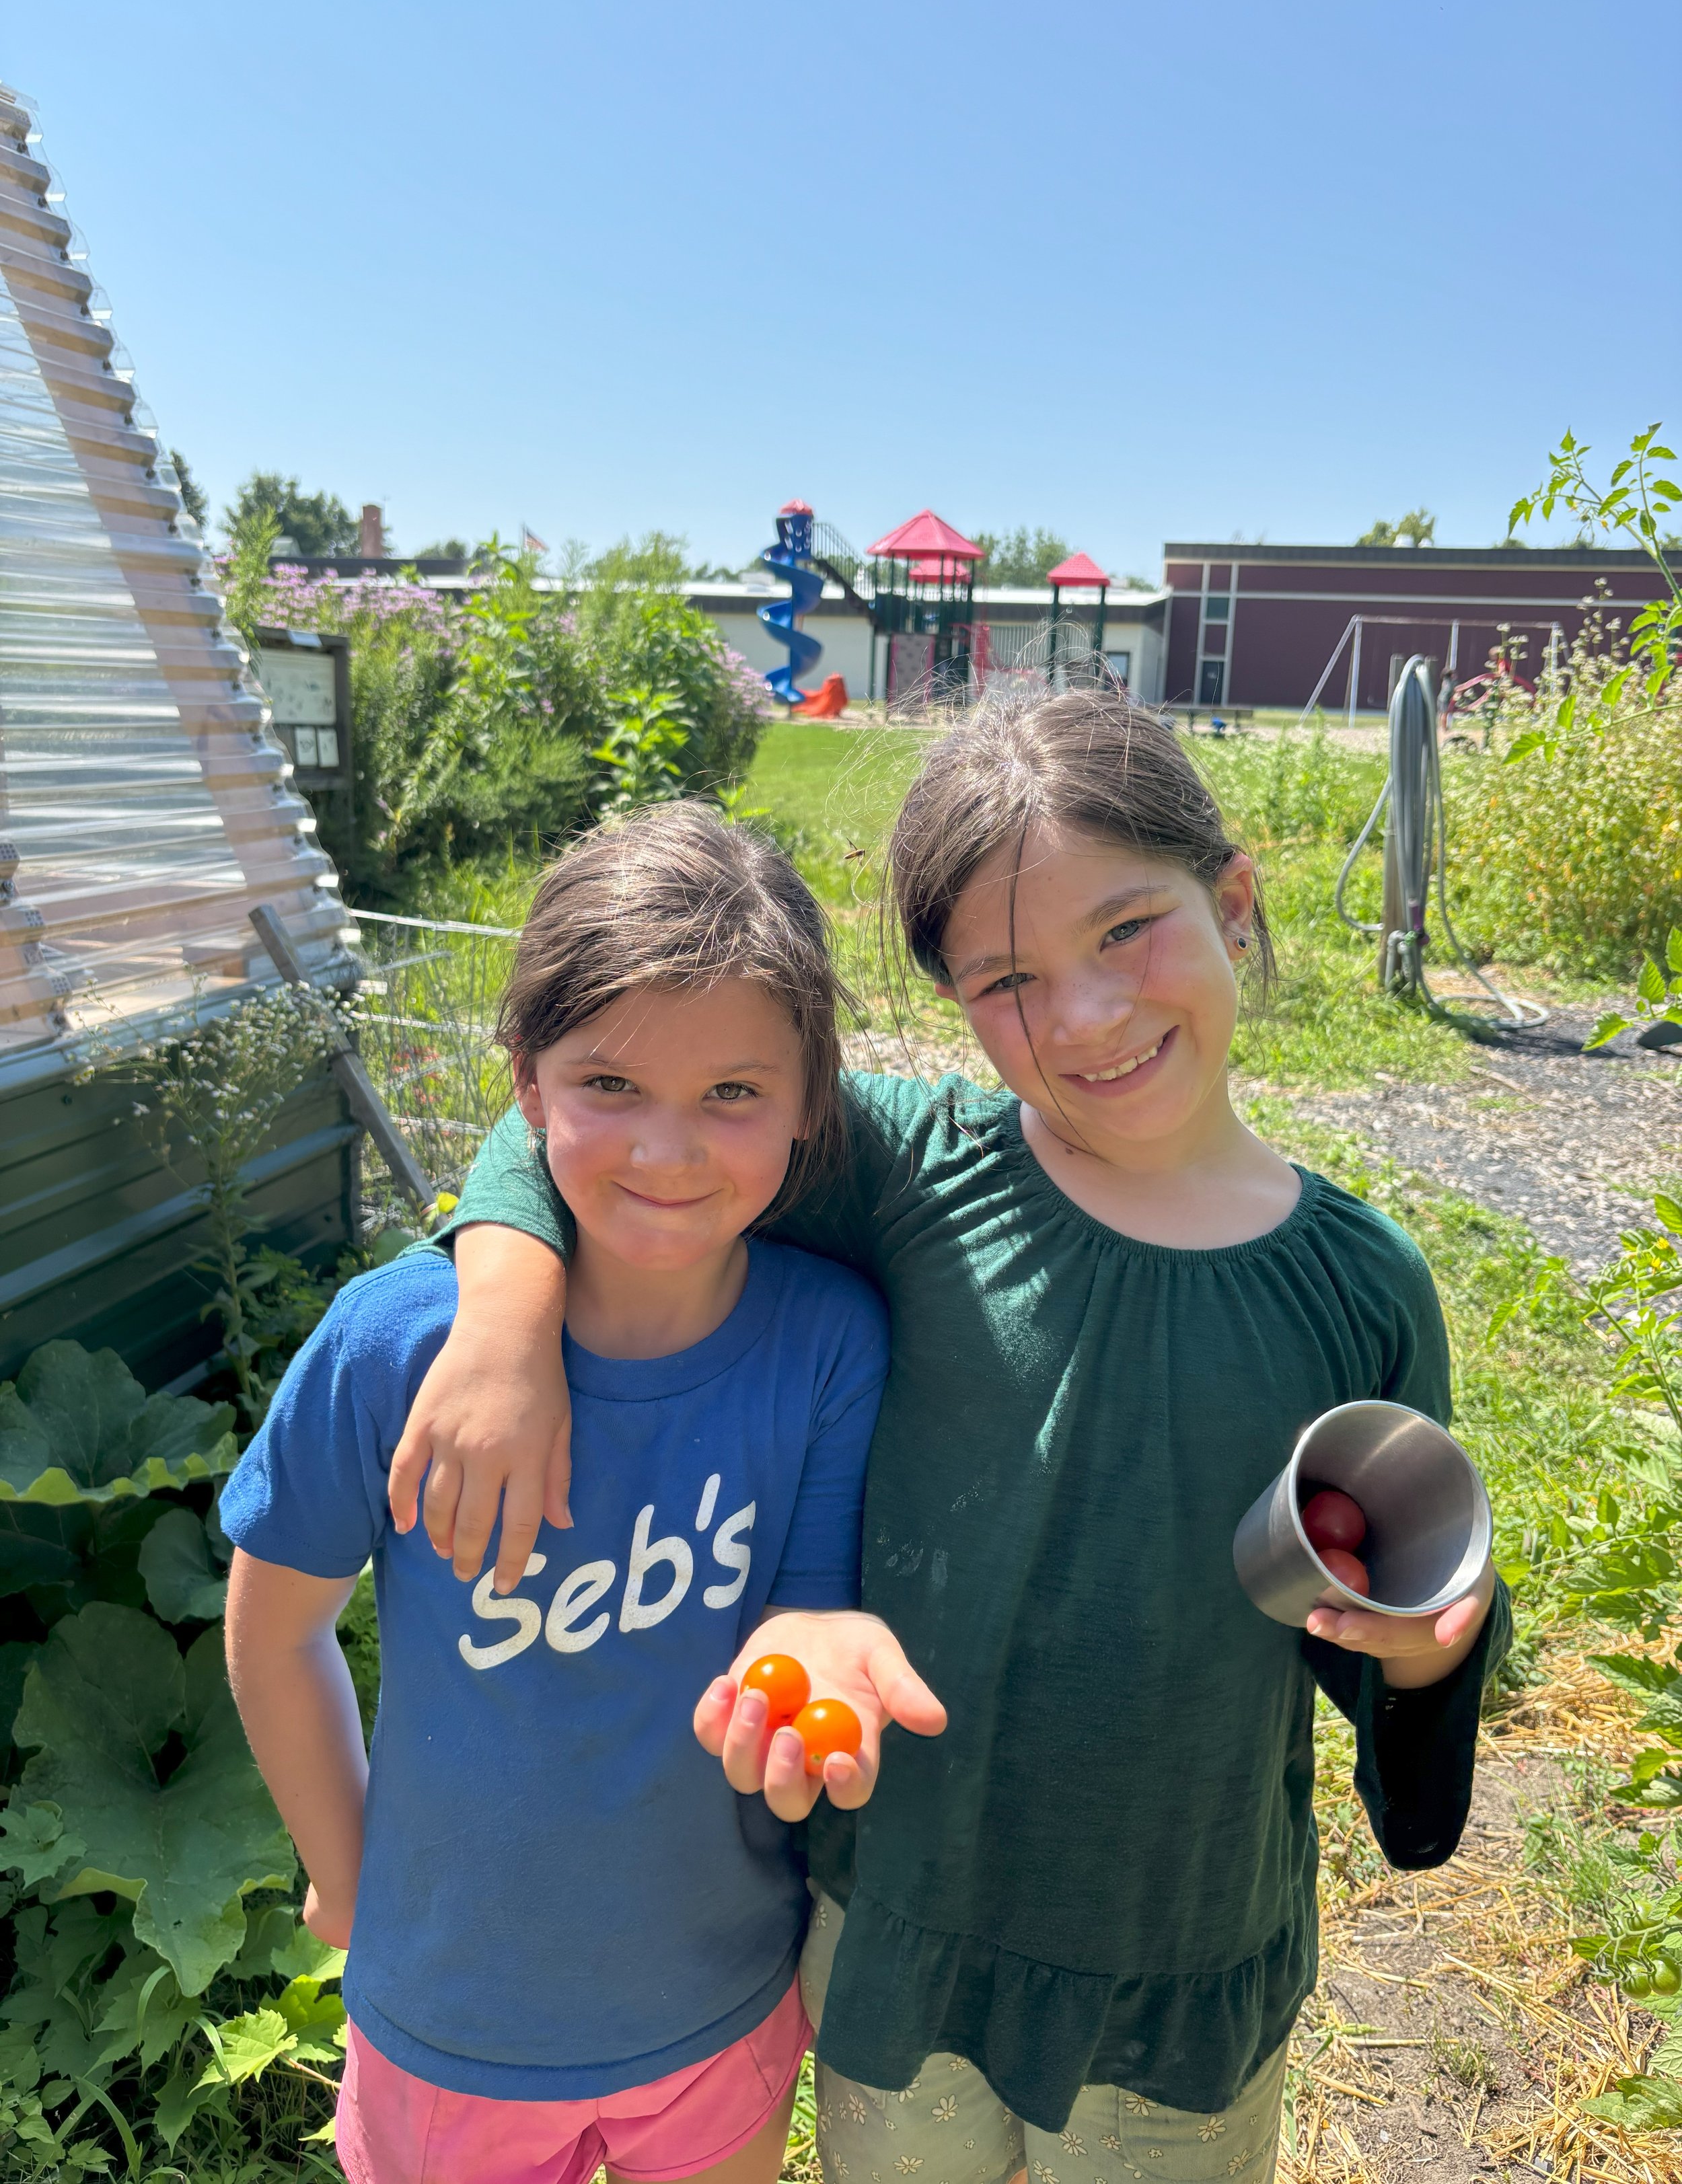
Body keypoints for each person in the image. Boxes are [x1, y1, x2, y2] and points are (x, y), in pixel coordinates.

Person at [397, 691, 1511, 2184]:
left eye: (1126, 930)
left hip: (1169, 1959)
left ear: (1230, 900)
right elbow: (595, 1097)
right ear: (951, 1001)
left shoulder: (1355, 1282)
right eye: (1006, 978)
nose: (1086, 1014)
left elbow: (1377, 1599)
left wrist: (1432, 1651)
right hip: (900, 1927)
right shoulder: (913, 1171)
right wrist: (503, 1309)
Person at [221, 804, 944, 2184]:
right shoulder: (393, 1346)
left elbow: (801, 1606)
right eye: (607, 1082)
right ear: (525, 1080)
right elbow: (273, 1624)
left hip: (716, 1997)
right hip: (446, 2020)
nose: (666, 1152)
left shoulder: (827, 1340)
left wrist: (814, 1662)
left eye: (733, 1092)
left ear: (810, 1100)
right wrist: (342, 1865)